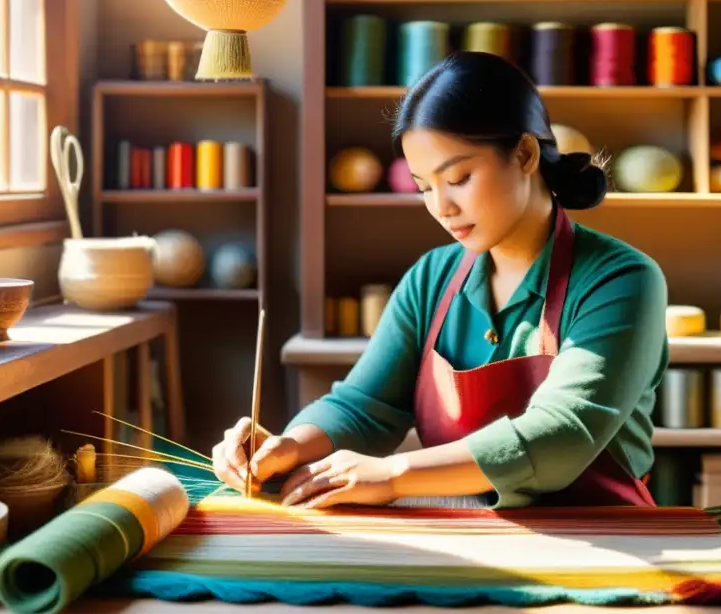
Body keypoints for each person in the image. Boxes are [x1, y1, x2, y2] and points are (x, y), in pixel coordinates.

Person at [213, 51, 669, 510]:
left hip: (601, 545)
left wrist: (394, 474)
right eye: (424, 186)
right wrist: (290, 446)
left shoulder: (622, 280)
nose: (441, 206)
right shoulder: (432, 278)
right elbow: (364, 404)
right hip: (464, 536)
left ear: (525, 154)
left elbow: (562, 435)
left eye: (458, 177)